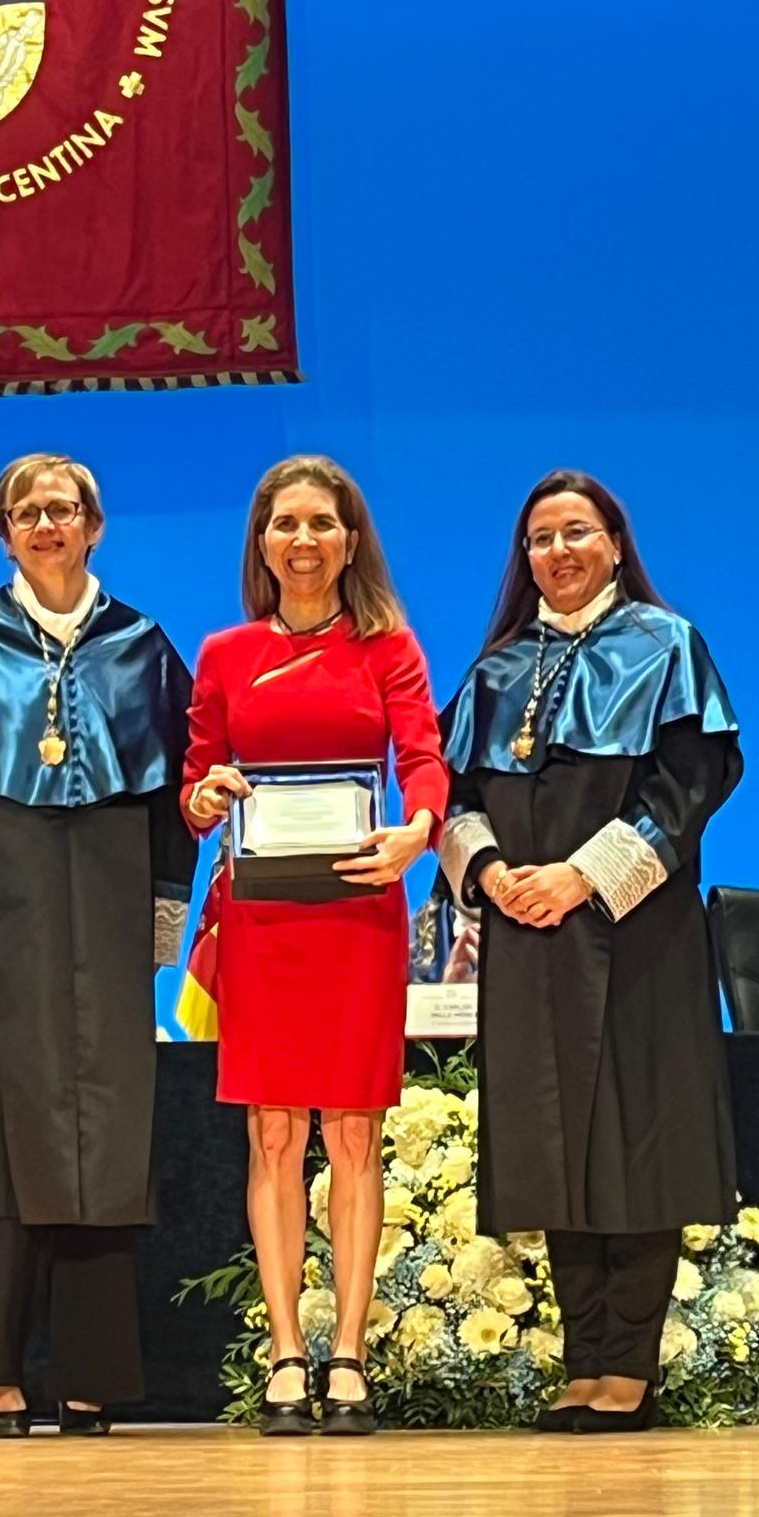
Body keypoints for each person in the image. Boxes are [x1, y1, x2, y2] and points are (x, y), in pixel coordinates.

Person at [0, 454, 195, 1438]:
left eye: (62, 509)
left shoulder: (141, 648)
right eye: (26, 512)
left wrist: (158, 925)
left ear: (95, 525)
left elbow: (170, 811)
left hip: (104, 922)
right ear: (5, 533)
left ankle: (91, 1375)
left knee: (103, 1137)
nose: (45, 524)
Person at [440, 469, 742, 1434]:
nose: (559, 553)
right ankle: (580, 1364)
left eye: (577, 533)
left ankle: (630, 1371)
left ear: (614, 543)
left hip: (635, 933)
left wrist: (581, 876)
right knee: (551, 1148)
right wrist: (490, 877)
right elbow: (456, 801)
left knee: (634, 1143)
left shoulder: (666, 648)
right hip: (528, 938)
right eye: (540, 540)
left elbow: (691, 784)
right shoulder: (495, 672)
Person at [183, 455, 448, 1436]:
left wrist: (417, 829)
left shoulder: (390, 648)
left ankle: (352, 1356)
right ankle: (288, 1354)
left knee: (352, 1133)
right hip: (261, 917)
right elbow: (198, 775)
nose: (303, 540)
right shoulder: (223, 654)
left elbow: (423, 760)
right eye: (285, 523)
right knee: (274, 1134)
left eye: (322, 524)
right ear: (262, 541)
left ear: (349, 540)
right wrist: (205, 797)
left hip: (358, 911)